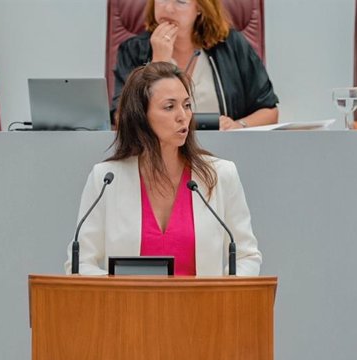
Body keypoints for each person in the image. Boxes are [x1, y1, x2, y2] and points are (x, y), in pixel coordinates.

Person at [66, 62, 261, 276]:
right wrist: (118, 288)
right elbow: (79, 264)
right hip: (128, 308)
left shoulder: (220, 175)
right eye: (170, 107)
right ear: (141, 116)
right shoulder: (106, 179)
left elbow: (247, 256)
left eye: (186, 105)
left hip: (203, 308)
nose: (183, 116)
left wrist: (222, 297)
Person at [112, 0, 278, 131]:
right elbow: (122, 120)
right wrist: (158, 63)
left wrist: (239, 125)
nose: (168, 8)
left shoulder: (231, 45)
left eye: (181, 1)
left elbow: (270, 112)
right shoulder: (132, 50)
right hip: (158, 157)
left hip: (222, 154)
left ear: (200, 7)